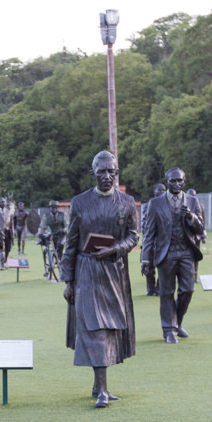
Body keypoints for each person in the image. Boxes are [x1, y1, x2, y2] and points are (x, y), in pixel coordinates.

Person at [60, 151, 137, 408]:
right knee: (96, 328)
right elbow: (70, 243)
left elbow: (134, 236)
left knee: (110, 328)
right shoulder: (80, 202)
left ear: (117, 173)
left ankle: (97, 385)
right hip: (87, 271)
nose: (106, 176)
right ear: (92, 173)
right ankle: (103, 389)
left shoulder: (127, 202)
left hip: (114, 273)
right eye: (101, 172)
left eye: (111, 172)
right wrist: (68, 280)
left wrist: (115, 249)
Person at [140, 168, 205, 343]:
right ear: (167, 182)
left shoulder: (192, 201)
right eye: (173, 181)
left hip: (186, 252)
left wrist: (191, 217)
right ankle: (168, 329)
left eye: (180, 181)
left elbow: (200, 228)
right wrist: (145, 258)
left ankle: (177, 322)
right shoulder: (155, 203)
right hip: (165, 253)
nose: (176, 184)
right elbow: (149, 234)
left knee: (188, 290)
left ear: (184, 182)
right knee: (166, 292)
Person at [140, 184, 166, 296]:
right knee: (147, 267)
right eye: (158, 190)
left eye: (163, 190)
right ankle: (150, 288)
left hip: (163, 241)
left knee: (163, 266)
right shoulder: (148, 205)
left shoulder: (168, 205)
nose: (161, 192)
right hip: (150, 240)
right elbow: (145, 224)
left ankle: (160, 288)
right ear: (154, 191)